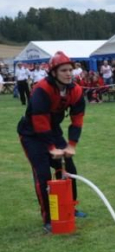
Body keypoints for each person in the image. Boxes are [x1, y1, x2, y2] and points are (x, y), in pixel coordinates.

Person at [17, 52, 87, 233]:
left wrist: (71, 145)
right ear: (53, 72)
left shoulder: (76, 91)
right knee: (43, 175)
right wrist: (51, 148)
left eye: (70, 70)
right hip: (31, 134)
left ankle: (70, 207)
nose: (68, 74)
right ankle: (48, 218)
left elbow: (77, 119)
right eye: (64, 70)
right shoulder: (42, 89)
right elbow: (39, 121)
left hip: (53, 130)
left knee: (69, 170)